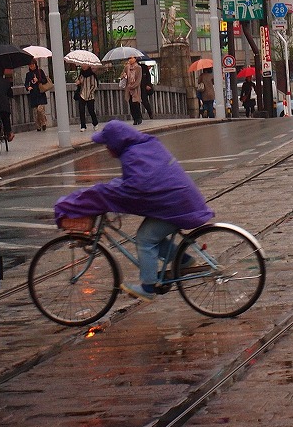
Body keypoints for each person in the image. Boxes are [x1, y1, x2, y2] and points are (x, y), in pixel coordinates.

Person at [53, 120, 214, 300]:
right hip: (179, 199)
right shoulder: (144, 146)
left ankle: (148, 287)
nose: (106, 148)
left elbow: (136, 188)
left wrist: (109, 197)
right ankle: (183, 261)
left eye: (107, 144)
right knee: (153, 236)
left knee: (145, 239)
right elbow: (140, 181)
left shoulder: (133, 155)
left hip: (175, 205)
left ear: (115, 143)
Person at [24, 59, 50, 132]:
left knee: (40, 109)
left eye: (32, 65)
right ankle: (38, 126)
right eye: (30, 65)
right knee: (35, 112)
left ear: (35, 65)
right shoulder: (28, 74)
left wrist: (38, 80)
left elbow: (45, 80)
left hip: (40, 93)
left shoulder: (40, 71)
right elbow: (26, 83)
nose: (31, 66)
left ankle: (44, 122)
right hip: (33, 93)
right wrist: (27, 87)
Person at [74, 65, 99, 131]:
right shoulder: (81, 75)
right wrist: (78, 82)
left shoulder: (92, 75)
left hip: (90, 96)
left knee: (91, 110)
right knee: (81, 110)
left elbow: (94, 85)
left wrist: (90, 93)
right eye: (82, 65)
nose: (83, 66)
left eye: (85, 65)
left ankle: (95, 123)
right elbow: (78, 83)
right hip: (82, 95)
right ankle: (83, 126)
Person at [122, 55, 143, 125]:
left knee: (136, 103)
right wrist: (124, 76)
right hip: (128, 89)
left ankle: (139, 118)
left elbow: (139, 79)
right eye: (129, 58)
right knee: (131, 104)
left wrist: (133, 86)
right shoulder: (127, 67)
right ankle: (135, 118)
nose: (130, 60)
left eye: (131, 58)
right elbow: (122, 75)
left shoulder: (138, 68)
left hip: (135, 89)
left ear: (135, 59)